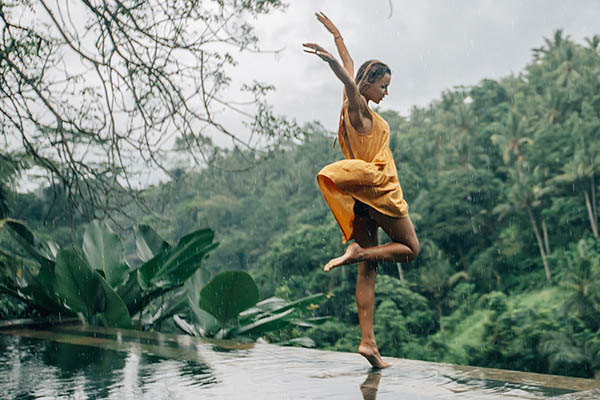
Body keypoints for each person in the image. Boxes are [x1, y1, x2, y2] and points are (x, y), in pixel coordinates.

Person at [303, 12, 420, 369]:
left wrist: (337, 35)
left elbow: (351, 69)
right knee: (409, 249)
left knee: (368, 271)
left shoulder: (348, 109)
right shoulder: (360, 111)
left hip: (360, 199)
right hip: (380, 191)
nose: (386, 92)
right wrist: (332, 63)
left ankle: (368, 342)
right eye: (382, 86)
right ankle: (358, 253)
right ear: (368, 85)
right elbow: (349, 77)